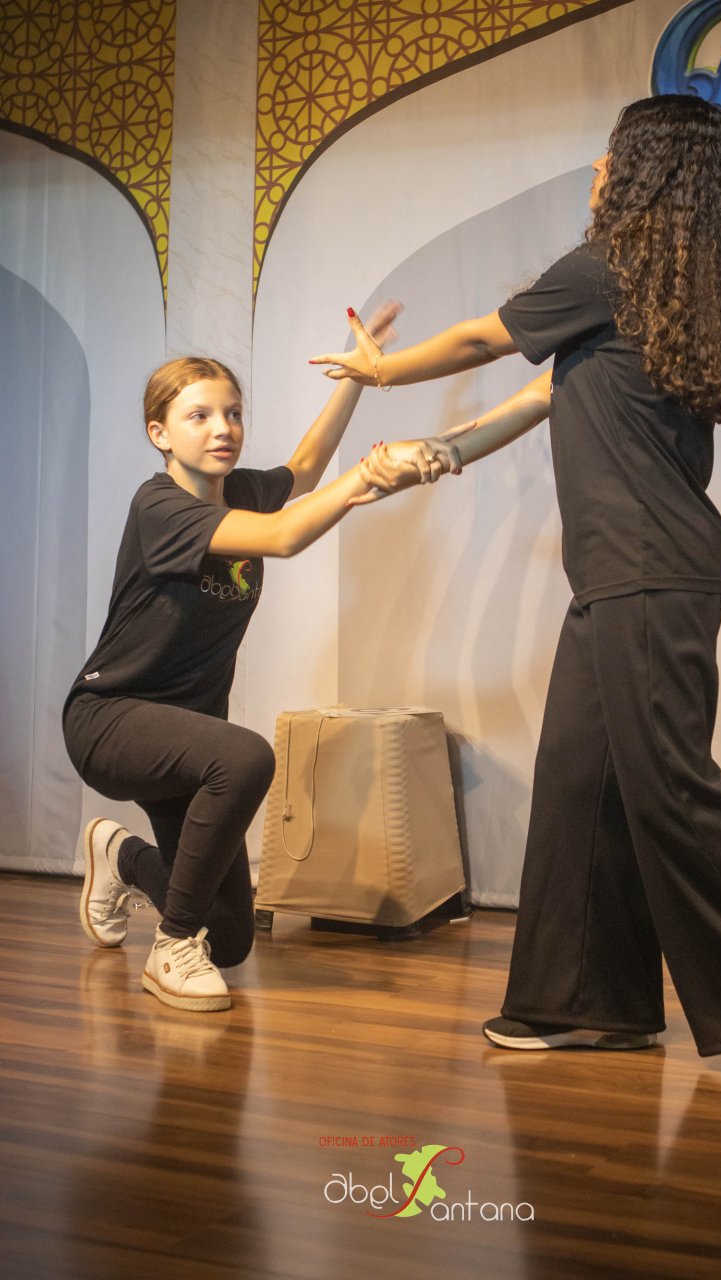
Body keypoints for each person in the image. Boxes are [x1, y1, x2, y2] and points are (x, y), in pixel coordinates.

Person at [310, 94, 721, 1098]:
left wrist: (380, 370)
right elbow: (537, 395)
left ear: (641, 171)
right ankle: (584, 1002)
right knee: (579, 782)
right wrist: (436, 453)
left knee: (673, 794)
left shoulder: (608, 268)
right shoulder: (657, 290)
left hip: (646, 569)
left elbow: (479, 342)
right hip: (623, 572)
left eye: (609, 156)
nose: (597, 171)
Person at [63, 304, 447, 1014]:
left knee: (232, 939)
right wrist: (369, 476)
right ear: (159, 433)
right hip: (111, 719)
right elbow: (282, 537)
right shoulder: (160, 508)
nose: (223, 429)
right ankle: (169, 949)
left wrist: (357, 376)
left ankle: (118, 856)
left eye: (233, 414)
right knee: (245, 758)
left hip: (187, 737)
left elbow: (304, 469)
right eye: (200, 416)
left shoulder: (238, 491)